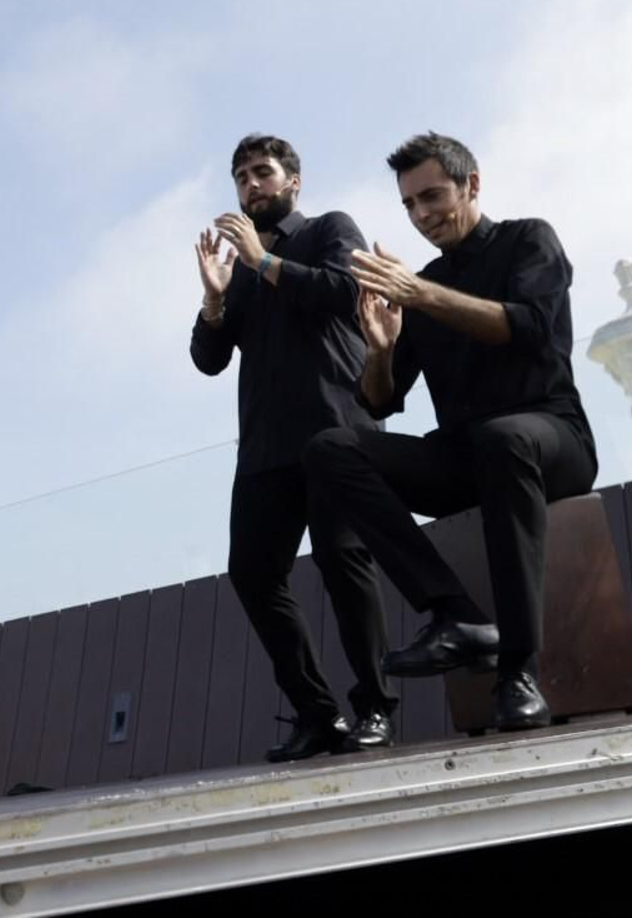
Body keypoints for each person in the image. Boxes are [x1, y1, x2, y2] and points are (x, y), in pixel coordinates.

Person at [303, 131, 597, 730]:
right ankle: (453, 611)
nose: (421, 215)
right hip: (465, 454)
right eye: (409, 205)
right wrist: (382, 349)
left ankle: (518, 671)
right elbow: (380, 396)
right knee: (329, 447)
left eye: (432, 196)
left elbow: (529, 329)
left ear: (473, 184)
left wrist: (420, 293)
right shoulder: (420, 288)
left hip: (553, 438)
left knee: (504, 439)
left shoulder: (528, 239)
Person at [191, 134, 397, 760]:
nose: (252, 185)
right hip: (263, 449)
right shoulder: (241, 272)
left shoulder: (330, 228)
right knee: (252, 573)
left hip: (337, 431)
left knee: (344, 563)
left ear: (293, 182)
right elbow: (208, 360)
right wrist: (215, 298)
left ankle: (376, 709)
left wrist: (264, 262)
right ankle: (317, 713)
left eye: (263, 172)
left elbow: (342, 291)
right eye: (241, 177)